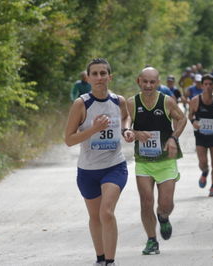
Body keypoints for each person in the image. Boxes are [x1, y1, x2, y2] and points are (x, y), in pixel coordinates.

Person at [65, 58, 135, 266]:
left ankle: (111, 262)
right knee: (95, 216)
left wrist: (126, 129)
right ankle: (101, 258)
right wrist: (94, 130)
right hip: (87, 170)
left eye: (103, 73)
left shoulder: (118, 101)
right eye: (94, 74)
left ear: (109, 77)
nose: (99, 78)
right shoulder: (81, 104)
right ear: (87, 78)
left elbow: (126, 118)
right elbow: (68, 140)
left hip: (114, 166)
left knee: (106, 212)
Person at [127, 67, 187, 255]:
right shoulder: (131, 103)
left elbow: (182, 119)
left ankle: (163, 217)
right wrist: (132, 133)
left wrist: (173, 138)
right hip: (143, 160)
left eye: (152, 82)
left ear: (158, 83)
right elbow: (126, 125)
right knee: (146, 201)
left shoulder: (167, 101)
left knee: (166, 204)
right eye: (145, 81)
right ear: (139, 81)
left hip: (166, 160)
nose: (148, 85)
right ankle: (152, 240)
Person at [188, 74, 213, 196]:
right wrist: (194, 122)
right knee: (203, 162)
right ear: (201, 86)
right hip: (200, 135)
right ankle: (205, 172)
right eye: (206, 84)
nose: (208, 87)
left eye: (211, 84)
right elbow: (190, 115)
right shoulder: (195, 100)